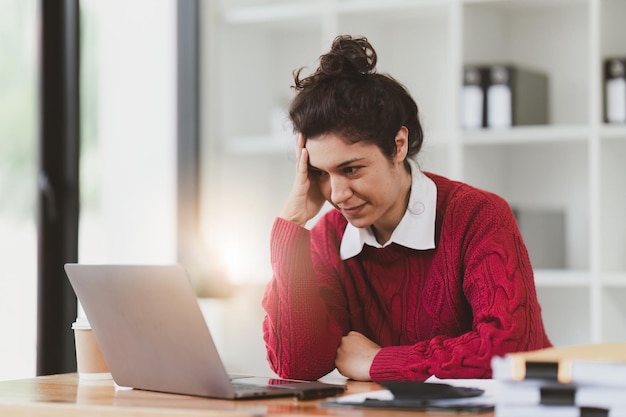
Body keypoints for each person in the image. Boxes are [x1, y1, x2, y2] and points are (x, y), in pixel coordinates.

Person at [262, 35, 552, 382]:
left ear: (398, 146)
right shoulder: (329, 238)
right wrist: (291, 228)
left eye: (351, 169)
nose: (337, 194)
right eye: (321, 173)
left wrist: (381, 362)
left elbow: (509, 350)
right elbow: (299, 366)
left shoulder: (477, 216)